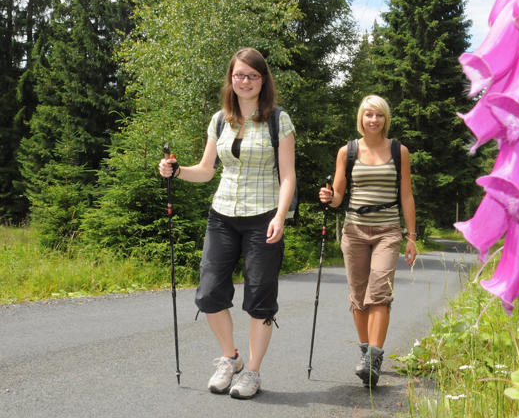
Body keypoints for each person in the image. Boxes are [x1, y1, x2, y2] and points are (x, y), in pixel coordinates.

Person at [159, 48, 295, 399]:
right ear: (230, 79)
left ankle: (252, 372)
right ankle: (230, 357)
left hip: (264, 215)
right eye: (239, 75)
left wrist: (281, 216)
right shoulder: (221, 119)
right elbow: (205, 172)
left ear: (262, 80)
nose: (245, 81)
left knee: (260, 299)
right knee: (209, 291)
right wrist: (176, 170)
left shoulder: (279, 120)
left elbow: (288, 177)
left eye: (252, 75)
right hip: (222, 214)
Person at [318, 95, 417, 387]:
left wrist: (411, 236)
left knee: (379, 293)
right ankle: (366, 353)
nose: (374, 120)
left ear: (386, 119)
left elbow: (406, 195)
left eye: (379, 115)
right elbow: (337, 196)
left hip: (388, 230)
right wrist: (328, 197)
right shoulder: (346, 152)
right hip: (355, 230)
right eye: (368, 115)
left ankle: (374, 357)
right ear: (360, 118)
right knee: (359, 297)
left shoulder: (399, 151)